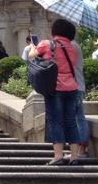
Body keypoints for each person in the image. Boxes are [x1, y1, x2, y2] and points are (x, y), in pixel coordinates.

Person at [29, 19, 82, 166]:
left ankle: (58, 156)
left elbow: (31, 56)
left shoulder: (47, 44)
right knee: (71, 122)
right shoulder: (72, 47)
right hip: (72, 88)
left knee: (55, 121)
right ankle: (74, 157)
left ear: (55, 30)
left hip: (55, 88)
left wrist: (33, 47)